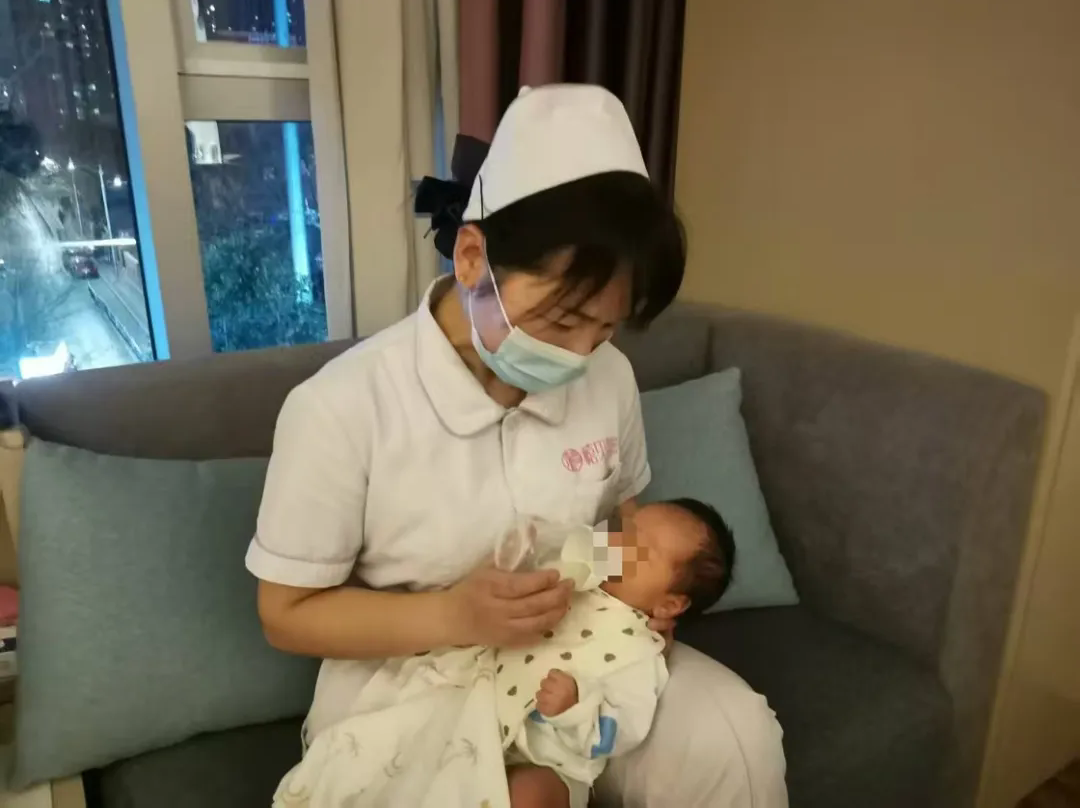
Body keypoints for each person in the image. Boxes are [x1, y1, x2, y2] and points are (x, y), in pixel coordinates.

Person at [247, 83, 787, 808]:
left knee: (738, 736)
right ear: (472, 257)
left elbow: (620, 520)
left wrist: (646, 598)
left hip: (574, 669)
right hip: (409, 683)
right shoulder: (340, 406)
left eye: (606, 327)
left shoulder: (610, 378)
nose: (582, 353)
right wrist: (452, 616)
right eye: (562, 321)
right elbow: (285, 613)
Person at [500, 498, 736, 808]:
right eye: (626, 529)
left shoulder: (641, 651)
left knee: (533, 795)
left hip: (548, 756)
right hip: (484, 712)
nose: (619, 542)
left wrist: (575, 706)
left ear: (669, 605)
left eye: (643, 550)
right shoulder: (574, 576)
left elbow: (623, 728)